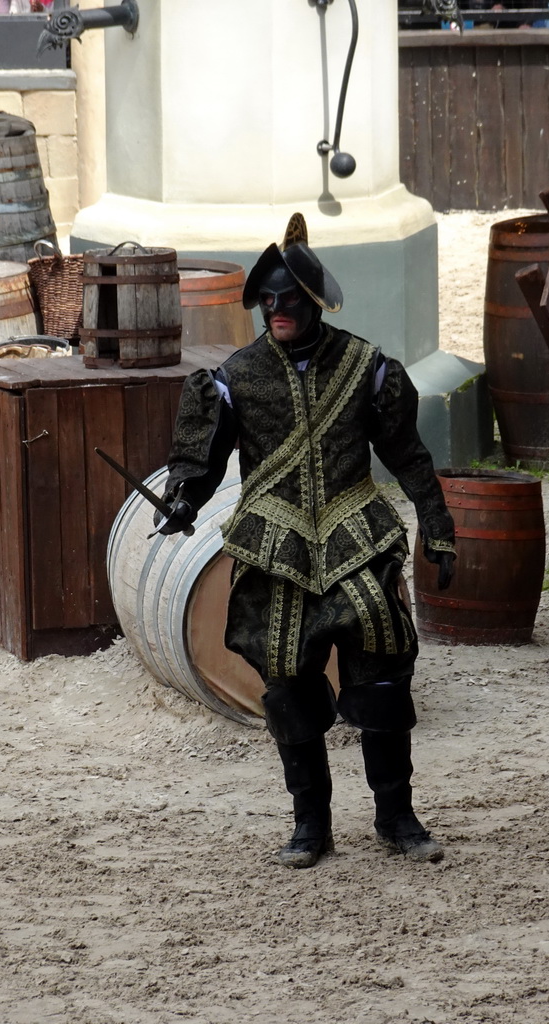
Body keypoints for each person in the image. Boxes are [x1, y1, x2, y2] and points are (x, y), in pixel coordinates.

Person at [156, 215, 456, 870]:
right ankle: (309, 824)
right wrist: (183, 500)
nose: (276, 310)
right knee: (287, 685)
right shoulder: (235, 377)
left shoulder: (366, 368)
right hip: (274, 545)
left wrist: (436, 521)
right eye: (267, 300)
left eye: (288, 299)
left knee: (381, 671)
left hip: (356, 534)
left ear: (312, 301)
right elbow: (199, 462)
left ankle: (396, 816)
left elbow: (406, 453)